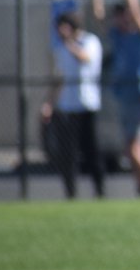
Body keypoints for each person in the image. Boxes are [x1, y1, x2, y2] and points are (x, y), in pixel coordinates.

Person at [90, 0, 140, 196]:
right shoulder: (118, 36)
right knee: (133, 151)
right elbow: (98, 16)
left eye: (122, 14)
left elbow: (136, 10)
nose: (118, 18)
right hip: (124, 98)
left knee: (135, 150)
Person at [41, 11, 105, 198]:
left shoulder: (90, 42)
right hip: (67, 108)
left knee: (92, 152)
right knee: (67, 154)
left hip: (87, 106)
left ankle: (99, 192)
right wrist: (50, 104)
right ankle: (71, 193)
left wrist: (69, 42)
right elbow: (59, 78)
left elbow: (85, 59)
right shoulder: (60, 49)